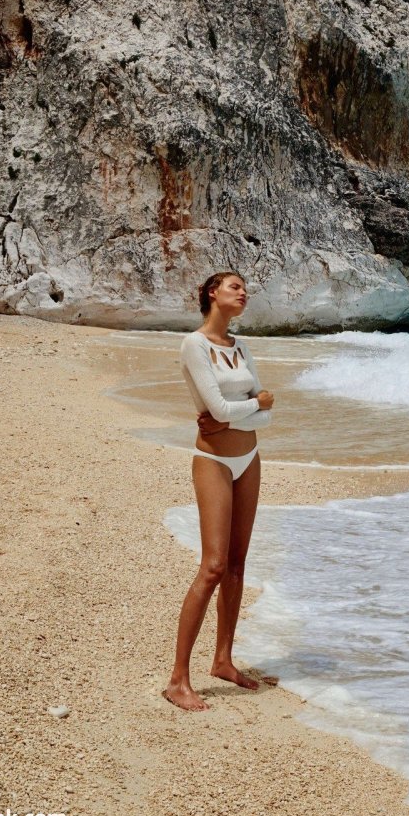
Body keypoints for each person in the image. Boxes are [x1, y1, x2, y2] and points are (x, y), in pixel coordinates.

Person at [163, 271, 275, 712]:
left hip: (250, 458)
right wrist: (252, 405)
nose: (244, 292)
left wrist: (242, 412)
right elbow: (223, 407)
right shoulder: (194, 345)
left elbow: (264, 414)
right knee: (212, 567)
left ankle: (223, 661)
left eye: (245, 288)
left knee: (237, 564)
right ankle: (177, 680)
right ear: (212, 293)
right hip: (213, 462)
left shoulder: (240, 346)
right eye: (235, 287)